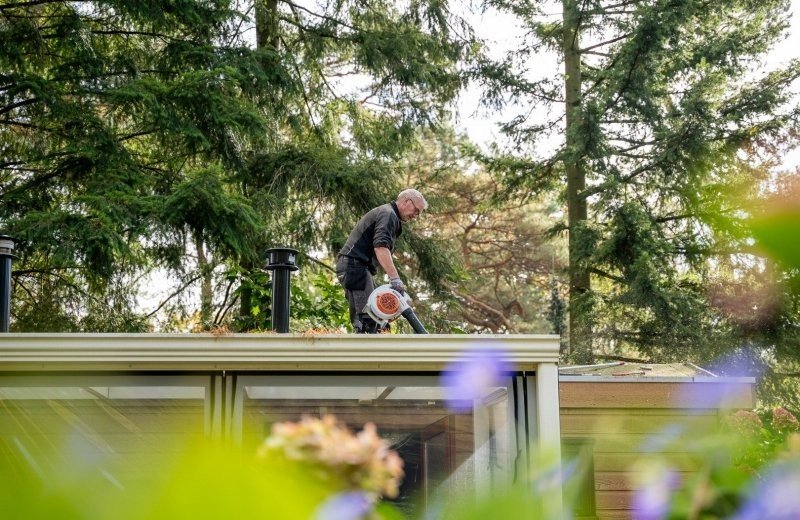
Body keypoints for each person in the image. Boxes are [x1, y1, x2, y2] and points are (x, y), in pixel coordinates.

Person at [336, 188, 427, 333]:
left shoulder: (390, 215)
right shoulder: (388, 214)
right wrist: (395, 279)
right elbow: (381, 247)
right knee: (367, 320)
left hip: (359, 268)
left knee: (379, 321)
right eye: (416, 210)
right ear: (407, 202)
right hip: (354, 267)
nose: (416, 216)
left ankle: (373, 351)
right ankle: (363, 354)